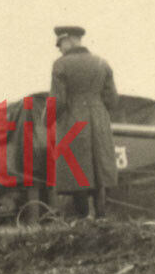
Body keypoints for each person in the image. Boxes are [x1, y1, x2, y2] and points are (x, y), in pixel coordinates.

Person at [49, 26, 118, 218]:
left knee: (77, 170)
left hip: (74, 122)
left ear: (70, 40)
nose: (59, 48)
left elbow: (58, 101)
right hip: (100, 122)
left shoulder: (60, 65)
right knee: (99, 169)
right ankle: (101, 216)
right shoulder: (102, 63)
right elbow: (112, 100)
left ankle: (82, 219)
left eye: (60, 43)